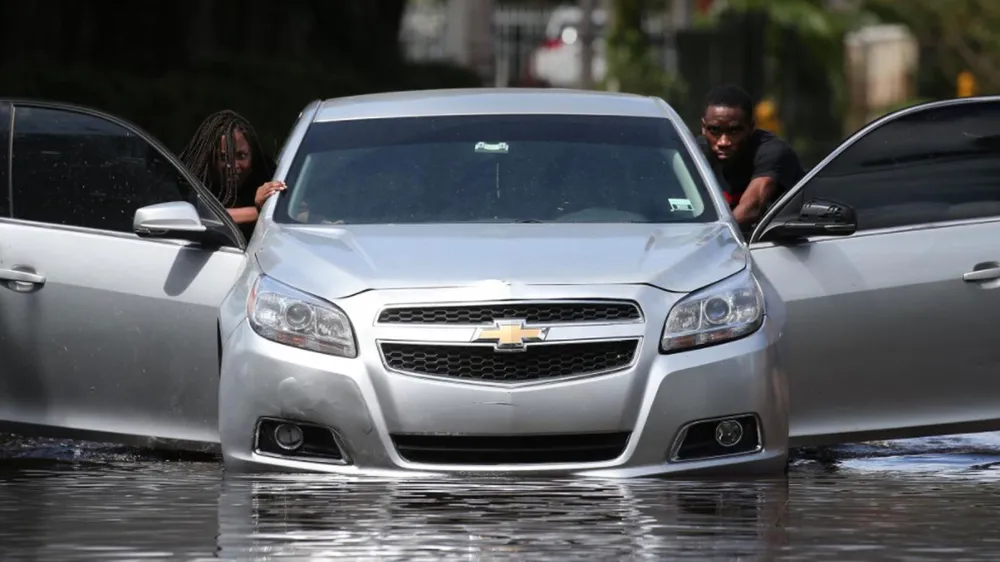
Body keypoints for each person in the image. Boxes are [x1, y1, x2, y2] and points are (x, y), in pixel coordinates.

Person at [697, 84, 806, 236]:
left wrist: (708, 239)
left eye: (734, 131)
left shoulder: (772, 152)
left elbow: (751, 208)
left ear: (751, 127)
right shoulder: (693, 154)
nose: (723, 142)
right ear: (703, 127)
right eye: (714, 130)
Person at [178, 110, 286, 240]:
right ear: (209, 158)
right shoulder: (190, 182)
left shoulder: (267, 175)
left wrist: (269, 198)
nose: (233, 165)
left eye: (242, 156)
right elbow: (197, 216)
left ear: (253, 156)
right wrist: (259, 210)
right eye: (223, 157)